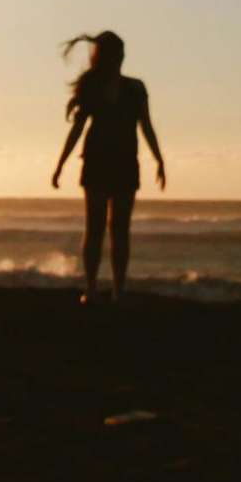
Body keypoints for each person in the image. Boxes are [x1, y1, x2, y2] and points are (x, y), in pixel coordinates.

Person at [51, 31, 166, 304]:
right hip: (97, 161)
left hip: (126, 162)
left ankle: (118, 290)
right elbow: (78, 128)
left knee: (120, 229)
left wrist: (159, 159)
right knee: (95, 228)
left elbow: (146, 126)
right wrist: (60, 163)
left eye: (123, 52)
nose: (121, 58)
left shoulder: (136, 88)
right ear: (106, 56)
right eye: (117, 53)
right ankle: (91, 288)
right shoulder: (91, 86)